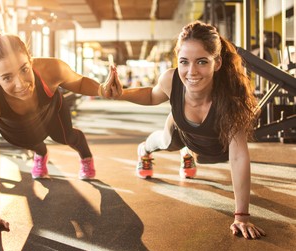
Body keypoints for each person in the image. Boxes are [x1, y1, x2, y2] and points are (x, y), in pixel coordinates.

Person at [109, 21, 266, 239]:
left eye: (202, 62)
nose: (191, 72)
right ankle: (144, 150)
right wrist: (121, 94)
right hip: (181, 128)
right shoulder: (170, 80)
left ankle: (188, 153)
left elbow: (238, 157)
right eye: (184, 62)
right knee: (165, 142)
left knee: (206, 156)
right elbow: (152, 96)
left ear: (217, 62)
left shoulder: (230, 100)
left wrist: (241, 216)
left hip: (212, 145)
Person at [0, 31, 117, 234]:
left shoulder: (50, 68)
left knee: (65, 136)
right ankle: (41, 153)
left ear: (30, 59)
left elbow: (79, 82)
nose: (21, 84)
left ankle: (86, 156)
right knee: (33, 141)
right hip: (18, 130)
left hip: (51, 113)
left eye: (24, 70)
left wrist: (101, 90)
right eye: (7, 77)